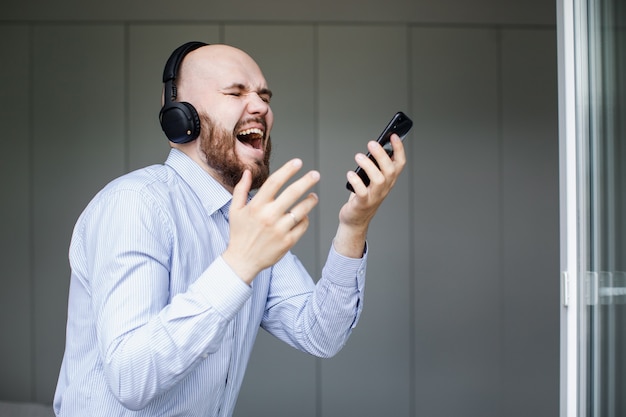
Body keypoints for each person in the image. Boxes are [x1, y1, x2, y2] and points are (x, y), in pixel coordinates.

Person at [53, 41, 406, 417]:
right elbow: (131, 379)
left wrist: (355, 224)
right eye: (236, 92)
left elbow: (320, 332)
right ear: (180, 116)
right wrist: (238, 266)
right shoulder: (135, 204)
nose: (261, 107)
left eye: (264, 96)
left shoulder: (249, 220)